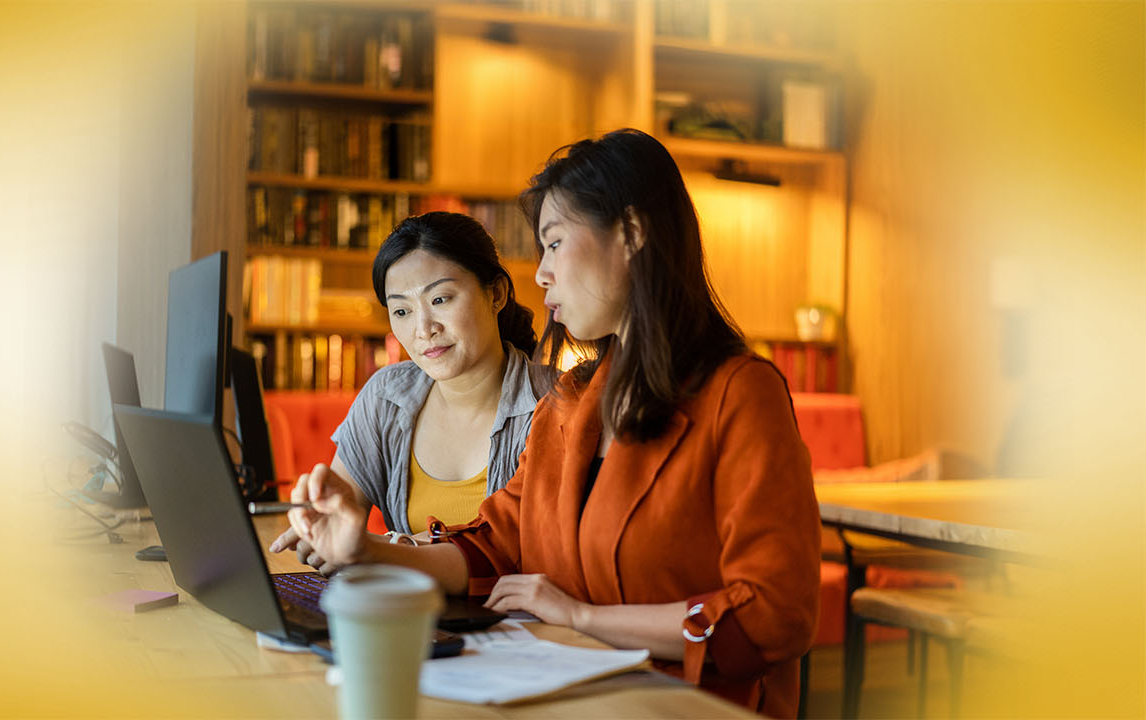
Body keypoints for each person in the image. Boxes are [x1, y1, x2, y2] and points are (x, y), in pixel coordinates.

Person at [276, 129, 820, 718]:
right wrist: (367, 550)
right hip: (568, 696)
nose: (540, 274)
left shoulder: (740, 393)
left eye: (555, 243)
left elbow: (774, 614)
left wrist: (583, 617)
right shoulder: (572, 400)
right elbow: (495, 546)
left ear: (632, 233)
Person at [270, 211, 556, 569]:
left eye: (440, 299)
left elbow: (527, 547)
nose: (423, 329)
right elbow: (339, 519)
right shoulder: (386, 397)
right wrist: (319, 530)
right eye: (402, 311)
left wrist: (390, 548)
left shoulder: (556, 401)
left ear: (496, 294)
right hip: (405, 602)